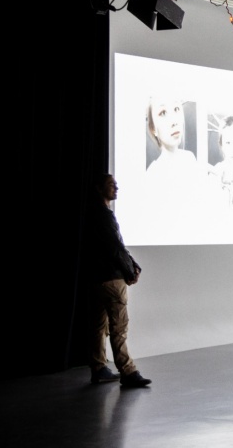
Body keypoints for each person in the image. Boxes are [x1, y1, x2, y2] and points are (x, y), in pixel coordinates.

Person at [87, 174, 152, 388]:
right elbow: (115, 247)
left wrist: (132, 264)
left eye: (116, 184)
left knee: (99, 326)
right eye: (111, 184)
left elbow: (116, 245)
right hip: (112, 279)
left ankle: (99, 368)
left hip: (97, 278)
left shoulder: (94, 213)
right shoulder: (104, 216)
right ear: (99, 189)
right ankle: (128, 371)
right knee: (119, 327)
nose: (116, 188)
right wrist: (130, 271)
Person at [145, 97, 208, 207]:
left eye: (176, 109)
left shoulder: (189, 158)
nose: (174, 122)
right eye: (163, 113)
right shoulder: (153, 175)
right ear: (153, 128)